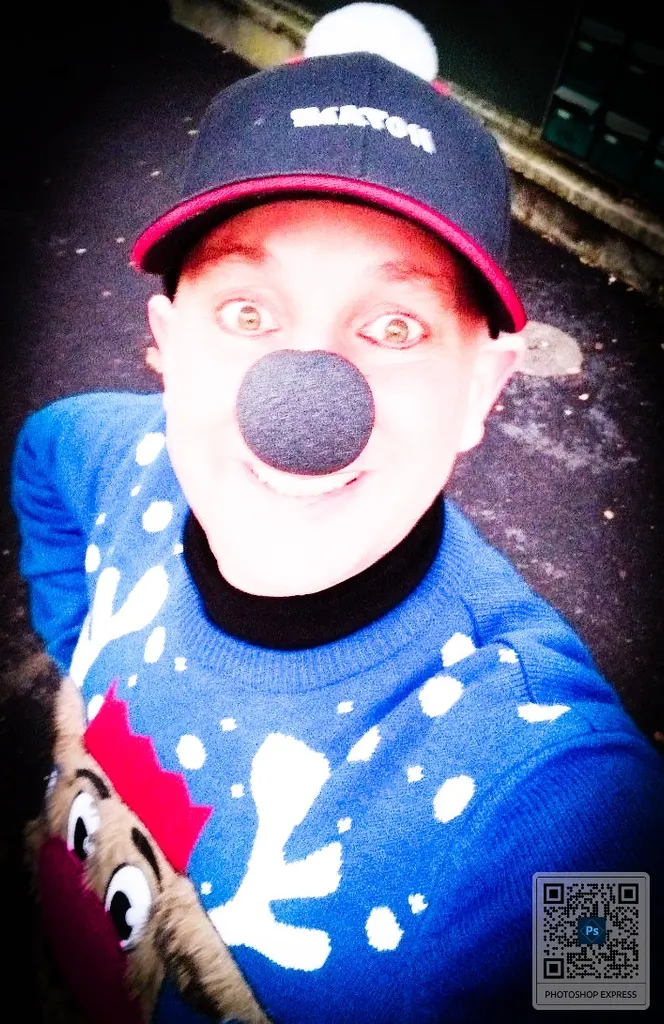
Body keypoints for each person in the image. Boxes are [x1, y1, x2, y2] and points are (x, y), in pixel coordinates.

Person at [10, 5, 663, 1022]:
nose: (301, 410)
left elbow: (617, 990)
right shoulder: (117, 455)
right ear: (167, 345)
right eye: (247, 312)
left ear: (484, 388)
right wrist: (82, 648)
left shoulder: (574, 810)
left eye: (394, 326)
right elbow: (43, 459)